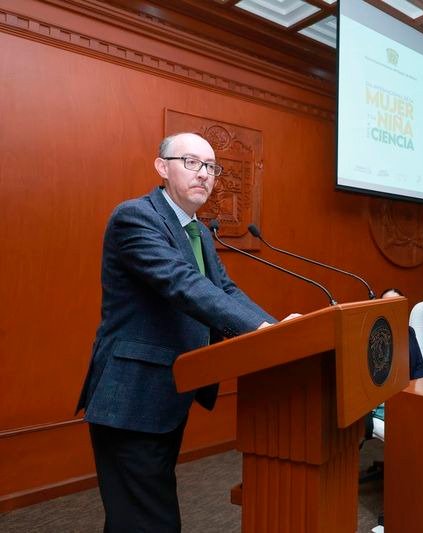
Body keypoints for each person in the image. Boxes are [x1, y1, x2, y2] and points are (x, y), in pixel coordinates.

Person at [76, 132, 286, 532]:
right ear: (161, 167)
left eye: (210, 167)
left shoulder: (199, 231)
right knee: (148, 519)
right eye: (191, 162)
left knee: (135, 516)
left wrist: (275, 331)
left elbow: (225, 290)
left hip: (165, 392)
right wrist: (262, 331)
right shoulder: (135, 217)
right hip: (131, 396)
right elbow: (183, 284)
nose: (204, 174)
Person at [381, 288, 423, 379]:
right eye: (387, 304)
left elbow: (420, 365)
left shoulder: (409, 331)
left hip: (412, 385)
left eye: (396, 303)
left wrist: (416, 385)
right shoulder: (377, 335)